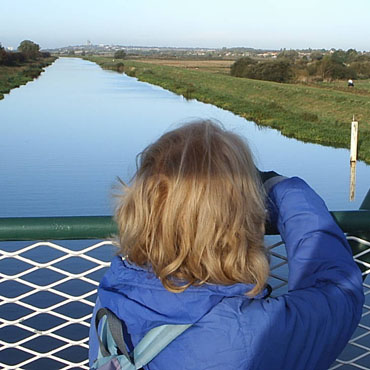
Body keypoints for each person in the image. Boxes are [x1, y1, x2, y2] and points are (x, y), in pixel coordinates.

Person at [89, 120, 364, 370]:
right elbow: (338, 291)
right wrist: (281, 189)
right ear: (240, 222)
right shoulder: (249, 334)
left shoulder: (113, 295)